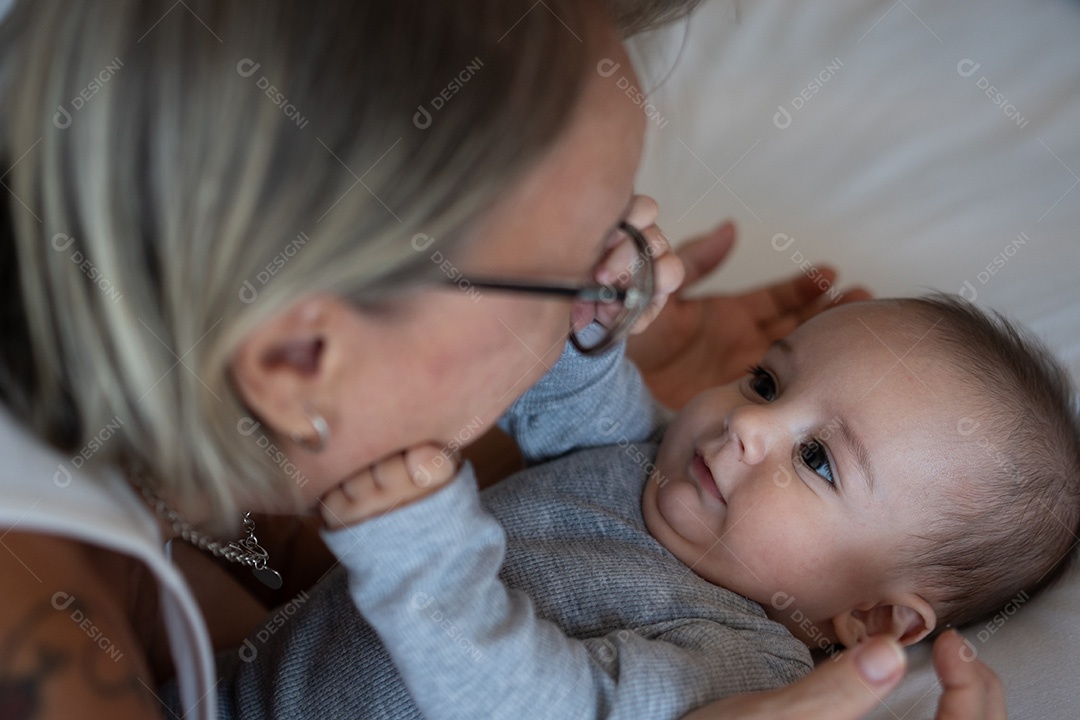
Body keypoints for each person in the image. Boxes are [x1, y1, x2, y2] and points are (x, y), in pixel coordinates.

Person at [0, 1, 1006, 718]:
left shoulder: (200, 446)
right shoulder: (42, 654)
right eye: (587, 262)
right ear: (301, 358)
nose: (631, 286)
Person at [221, 295, 1076, 720]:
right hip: (239, 681)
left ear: (871, 615)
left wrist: (421, 553)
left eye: (817, 459)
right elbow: (575, 409)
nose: (749, 425)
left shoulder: (738, 664)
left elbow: (541, 705)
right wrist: (590, 327)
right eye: (769, 381)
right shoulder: (671, 465)